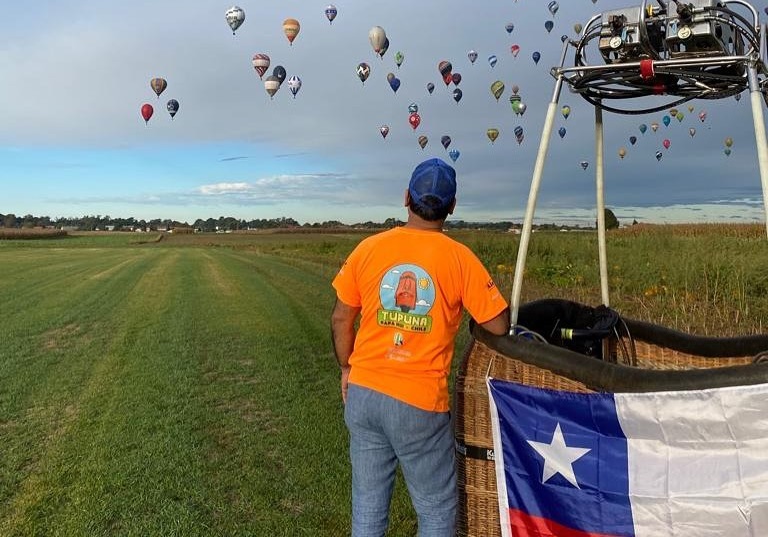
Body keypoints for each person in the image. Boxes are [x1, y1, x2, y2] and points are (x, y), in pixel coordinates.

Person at [331, 157, 510, 536]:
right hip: (419, 402)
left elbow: (341, 318)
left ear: (406, 198)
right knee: (436, 509)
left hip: (363, 393)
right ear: (452, 206)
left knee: (368, 506)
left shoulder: (368, 248)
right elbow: (498, 324)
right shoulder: (460, 258)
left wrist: (347, 368)